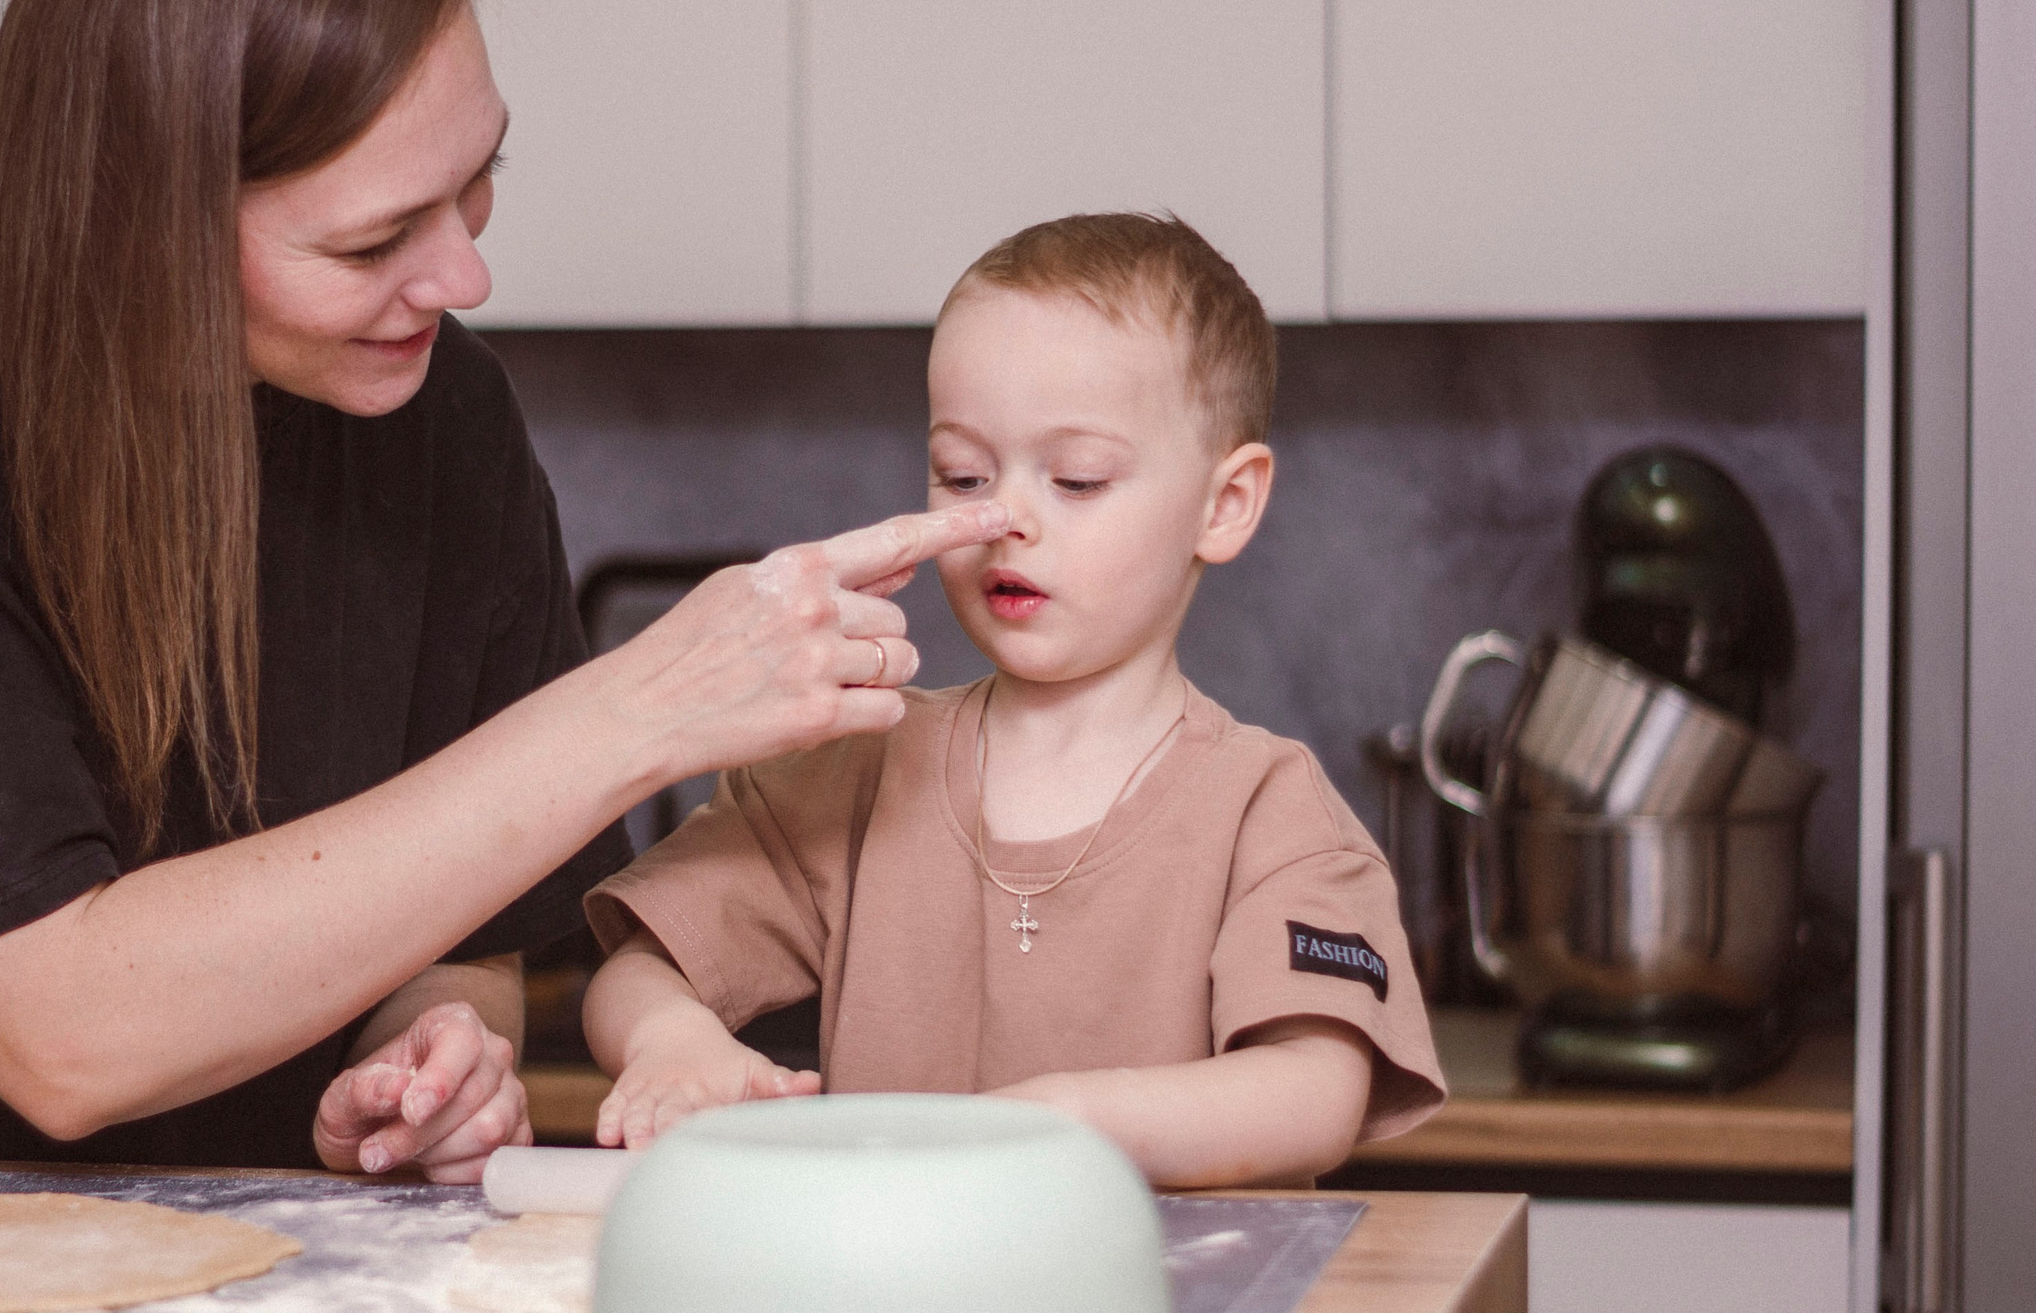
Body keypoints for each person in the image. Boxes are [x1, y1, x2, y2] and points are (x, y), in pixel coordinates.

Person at [0, 0, 1003, 1177]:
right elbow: (61, 1030)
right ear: (140, 227)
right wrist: (639, 707)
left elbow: (467, 933)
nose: (462, 279)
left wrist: (438, 1053)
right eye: (377, 235)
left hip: (232, 1258)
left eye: (479, 180)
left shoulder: (440, 410)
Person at [581, 213, 1446, 1187]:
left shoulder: (1269, 813)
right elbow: (637, 968)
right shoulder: (851, 767)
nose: (1004, 520)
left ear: (1224, 504)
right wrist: (670, 1043)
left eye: (1075, 479)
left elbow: (1316, 1091)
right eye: (963, 474)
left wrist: (1065, 1120)